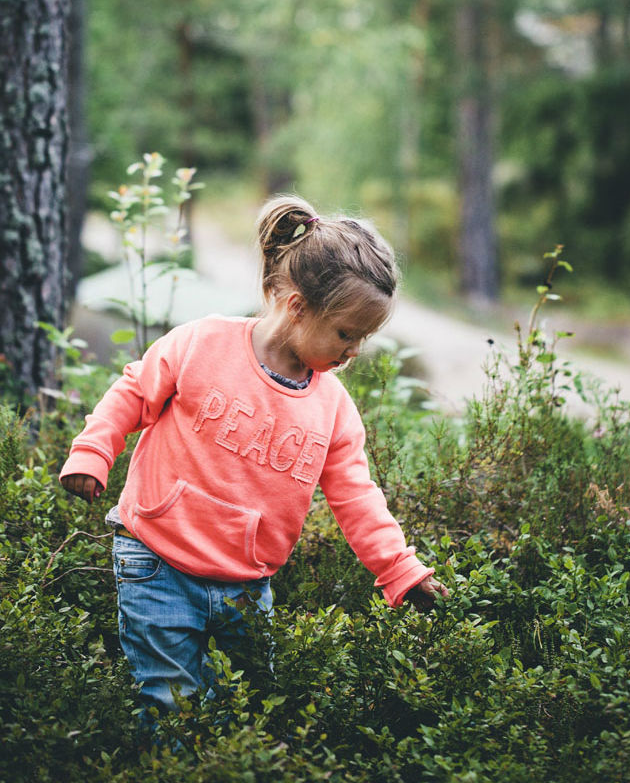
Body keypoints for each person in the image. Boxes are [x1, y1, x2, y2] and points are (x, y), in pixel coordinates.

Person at [60, 194, 448, 718]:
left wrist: (400, 569)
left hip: (247, 583)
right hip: (157, 561)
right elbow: (132, 393)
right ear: (296, 307)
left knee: (247, 707)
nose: (354, 350)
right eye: (346, 333)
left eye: (363, 338)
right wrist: (92, 452)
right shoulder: (202, 343)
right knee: (167, 701)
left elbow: (358, 497)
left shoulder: (333, 408)